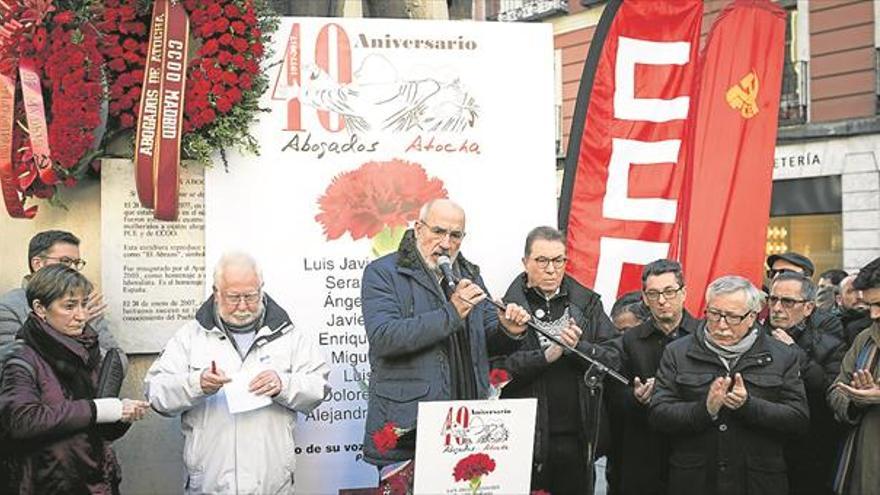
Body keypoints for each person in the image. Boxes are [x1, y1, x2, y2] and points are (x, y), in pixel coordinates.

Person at [360, 199, 530, 472]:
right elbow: (384, 337)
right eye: (438, 232)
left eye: (455, 235)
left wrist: (508, 331)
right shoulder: (383, 272)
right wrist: (453, 312)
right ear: (418, 229)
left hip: (467, 427)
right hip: (410, 428)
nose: (446, 243)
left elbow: (488, 338)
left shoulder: (470, 273)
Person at [145, 252, 330, 494]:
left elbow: (319, 387)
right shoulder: (190, 337)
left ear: (261, 289)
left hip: (271, 483)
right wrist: (196, 384)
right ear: (216, 292)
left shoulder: (289, 335)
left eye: (251, 296)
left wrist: (283, 384)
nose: (243, 306)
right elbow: (156, 392)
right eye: (233, 297)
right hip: (211, 482)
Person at [650, 275, 809, 495]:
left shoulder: (782, 355)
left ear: (752, 316)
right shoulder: (677, 352)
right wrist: (705, 410)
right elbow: (658, 414)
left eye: (733, 317)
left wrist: (749, 405)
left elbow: (798, 419)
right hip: (695, 481)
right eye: (714, 315)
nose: (722, 325)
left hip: (758, 482)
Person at [0, 265, 149, 494]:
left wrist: (121, 414)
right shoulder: (22, 357)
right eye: (69, 306)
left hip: (96, 483)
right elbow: (22, 421)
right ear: (40, 308)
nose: (81, 316)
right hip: (45, 484)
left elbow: (96, 429)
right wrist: (100, 410)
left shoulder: (88, 351)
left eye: (83, 305)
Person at [492, 226, 618, 495]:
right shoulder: (506, 307)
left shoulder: (588, 303)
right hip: (526, 442)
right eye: (542, 261)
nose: (551, 269)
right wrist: (545, 357)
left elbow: (614, 358)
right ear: (525, 262)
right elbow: (495, 374)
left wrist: (578, 348)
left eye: (558, 260)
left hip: (580, 438)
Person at [606, 259, 700, 495]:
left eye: (669, 291)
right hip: (644, 451)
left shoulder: (703, 335)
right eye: (654, 293)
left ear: (683, 292)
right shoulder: (630, 340)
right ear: (645, 299)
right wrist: (635, 397)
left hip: (693, 449)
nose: (662, 300)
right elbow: (613, 396)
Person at [767, 272, 846, 495]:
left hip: (810, 451)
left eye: (788, 301)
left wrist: (794, 353)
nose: (777, 307)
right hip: (764, 451)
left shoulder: (830, 343)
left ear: (809, 308)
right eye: (773, 299)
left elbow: (829, 390)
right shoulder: (753, 337)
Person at [0, 231, 124, 371]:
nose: (72, 269)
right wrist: (64, 329)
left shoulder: (85, 306)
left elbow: (118, 365)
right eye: (65, 261)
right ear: (38, 264)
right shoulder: (9, 307)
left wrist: (85, 331)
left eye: (76, 263)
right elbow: (10, 368)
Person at [827, 256, 880, 495]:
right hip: (863, 471)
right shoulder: (865, 339)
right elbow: (836, 390)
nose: (874, 315)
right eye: (870, 306)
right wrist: (855, 402)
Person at [837, 274, 872, 346]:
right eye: (850, 291)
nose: (859, 296)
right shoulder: (831, 325)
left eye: (863, 290)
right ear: (839, 299)